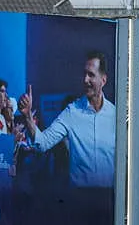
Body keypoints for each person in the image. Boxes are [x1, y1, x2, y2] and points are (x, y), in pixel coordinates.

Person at [17, 51, 116, 188]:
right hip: (79, 200)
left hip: (108, 202)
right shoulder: (72, 112)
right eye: (84, 74)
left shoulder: (116, 115)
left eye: (91, 75)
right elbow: (43, 143)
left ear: (103, 80)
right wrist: (28, 116)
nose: (85, 80)